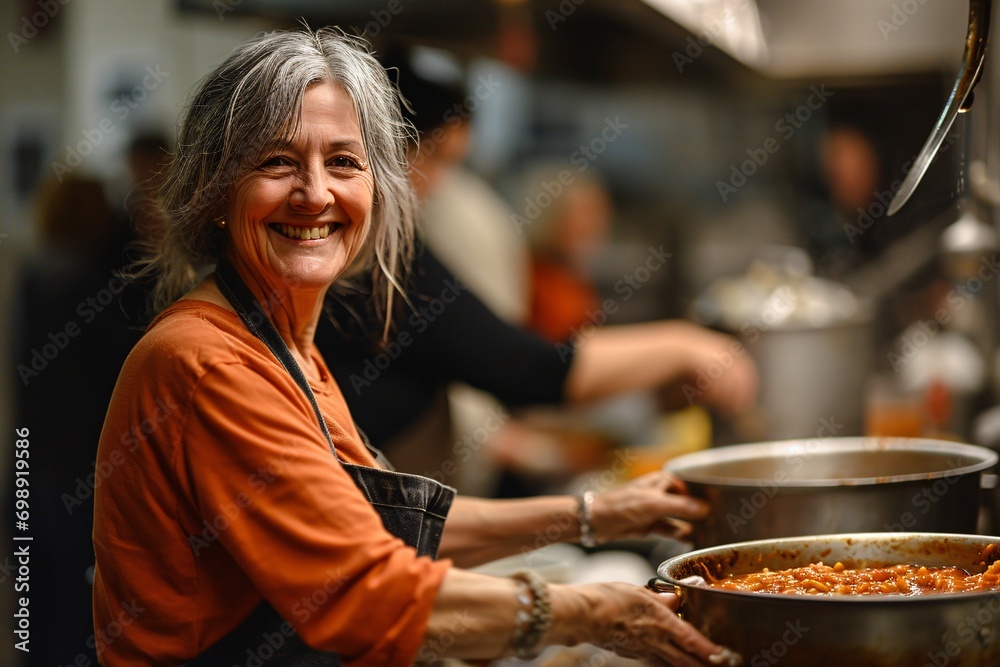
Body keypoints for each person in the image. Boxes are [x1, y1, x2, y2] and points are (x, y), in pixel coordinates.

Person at [92, 28, 740, 666]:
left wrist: (601, 514)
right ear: (213, 190)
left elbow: (375, 531)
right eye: (276, 161)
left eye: (344, 161)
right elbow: (363, 591)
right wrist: (592, 614)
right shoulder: (209, 364)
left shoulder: (288, 348)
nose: (315, 193)